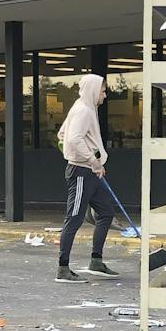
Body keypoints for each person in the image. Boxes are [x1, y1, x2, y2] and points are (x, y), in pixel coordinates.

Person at [55, 72, 121, 284]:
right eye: (103, 91)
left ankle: (96, 261)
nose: (104, 95)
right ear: (94, 90)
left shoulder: (83, 108)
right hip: (82, 173)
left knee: (106, 212)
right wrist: (92, 161)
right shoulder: (83, 110)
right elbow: (73, 139)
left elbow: (62, 135)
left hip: (90, 172)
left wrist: (92, 160)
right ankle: (63, 269)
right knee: (73, 218)